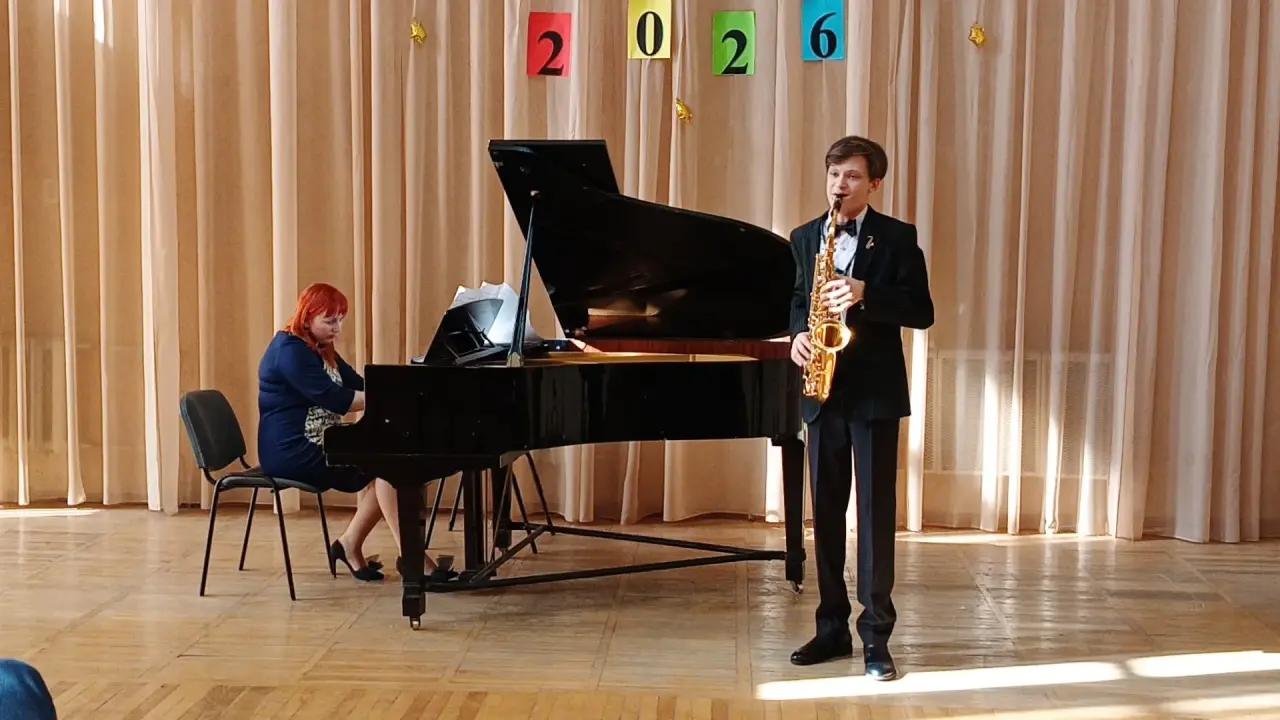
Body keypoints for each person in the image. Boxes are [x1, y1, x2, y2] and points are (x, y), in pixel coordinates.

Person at [787, 136, 934, 679]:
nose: (839, 185)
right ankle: (831, 629)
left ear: (874, 184)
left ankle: (876, 637)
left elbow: (922, 311)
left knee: (873, 517)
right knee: (825, 516)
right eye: (833, 175)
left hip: (874, 394)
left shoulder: (898, 237)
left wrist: (865, 291)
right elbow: (797, 299)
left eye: (851, 176)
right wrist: (797, 336)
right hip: (822, 393)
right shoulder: (805, 236)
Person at [258, 282, 454, 582]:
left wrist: (404, 387)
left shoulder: (320, 347)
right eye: (330, 321)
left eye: (340, 320)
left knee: (392, 463)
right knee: (389, 467)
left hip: (322, 439)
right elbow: (339, 400)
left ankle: (349, 544)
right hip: (293, 450)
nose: (337, 328)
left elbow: (360, 384)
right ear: (307, 317)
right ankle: (412, 558)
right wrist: (398, 397)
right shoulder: (289, 351)